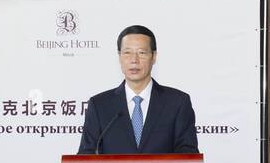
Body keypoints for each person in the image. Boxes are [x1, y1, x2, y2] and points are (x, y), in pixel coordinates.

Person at [78, 25, 199, 155]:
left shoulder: (177, 103)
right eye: (127, 53)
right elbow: (86, 155)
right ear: (119, 57)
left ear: (154, 57)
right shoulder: (100, 105)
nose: (134, 60)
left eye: (142, 52)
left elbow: (188, 154)